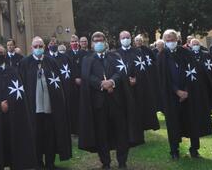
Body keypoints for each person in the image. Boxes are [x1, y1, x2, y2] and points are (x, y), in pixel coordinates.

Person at [78, 32, 140, 170]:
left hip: (116, 102)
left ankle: (122, 161)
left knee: (121, 132)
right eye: (96, 40)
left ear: (105, 42)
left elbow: (121, 72)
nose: (99, 43)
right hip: (98, 104)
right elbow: (87, 76)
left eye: (101, 40)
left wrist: (112, 82)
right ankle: (105, 162)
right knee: (102, 133)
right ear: (92, 43)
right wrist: (101, 84)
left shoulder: (115, 56)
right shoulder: (87, 59)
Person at [0, 44, 38, 170]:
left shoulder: (13, 72)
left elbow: (20, 93)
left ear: (5, 55)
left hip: (12, 116)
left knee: (13, 146)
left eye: (1, 53)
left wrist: (10, 103)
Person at [158, 30, 212, 160]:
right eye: (167, 40)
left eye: (172, 39)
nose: (170, 42)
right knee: (173, 123)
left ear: (177, 39)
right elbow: (162, 78)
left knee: (192, 121)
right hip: (171, 95)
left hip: (189, 94)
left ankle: (194, 149)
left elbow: (194, 71)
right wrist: (177, 91)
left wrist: (186, 91)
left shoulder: (186, 52)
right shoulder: (161, 56)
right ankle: (174, 150)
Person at [19, 36, 72, 170]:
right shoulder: (24, 63)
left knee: (50, 136)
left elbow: (58, 82)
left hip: (49, 105)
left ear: (44, 47)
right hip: (34, 107)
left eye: (40, 46)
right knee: (36, 136)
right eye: (35, 46)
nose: (38, 48)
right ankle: (37, 162)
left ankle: (50, 162)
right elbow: (21, 84)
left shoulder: (51, 62)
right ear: (31, 48)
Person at [116, 31, 158, 132]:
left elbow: (144, 70)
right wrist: (126, 80)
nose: (125, 39)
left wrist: (137, 79)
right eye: (123, 38)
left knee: (138, 111)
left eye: (127, 37)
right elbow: (115, 71)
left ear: (131, 39)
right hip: (123, 88)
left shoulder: (138, 52)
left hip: (138, 87)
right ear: (120, 39)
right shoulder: (115, 54)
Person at [188, 38, 212, 112]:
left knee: (206, 94)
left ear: (200, 45)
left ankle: (208, 110)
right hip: (194, 79)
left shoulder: (206, 54)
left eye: (197, 44)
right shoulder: (188, 55)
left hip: (205, 78)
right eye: (194, 44)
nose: (196, 46)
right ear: (191, 45)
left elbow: (210, 65)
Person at [66, 34, 86, 135]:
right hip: (72, 85)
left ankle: (83, 128)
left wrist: (82, 78)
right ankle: (74, 130)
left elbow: (86, 67)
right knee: (73, 107)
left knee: (83, 106)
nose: (74, 43)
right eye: (72, 41)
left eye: (75, 41)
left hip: (83, 84)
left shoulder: (84, 53)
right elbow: (67, 69)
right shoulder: (67, 55)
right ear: (70, 43)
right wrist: (74, 78)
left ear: (78, 42)